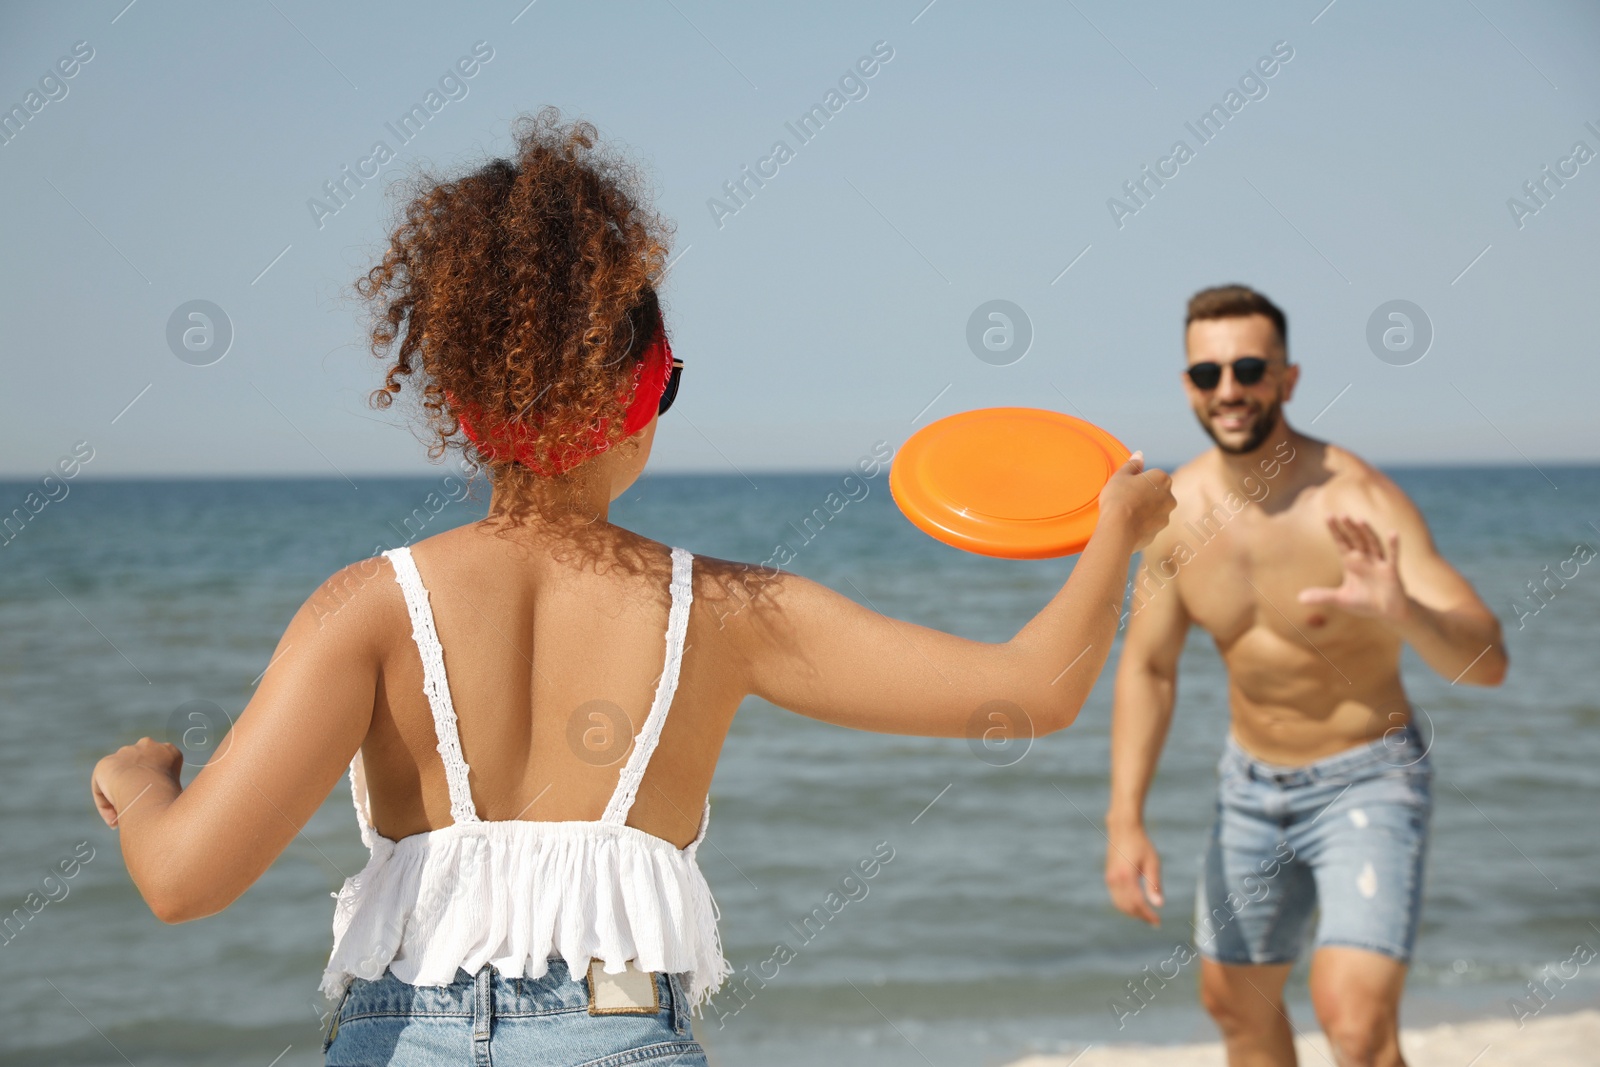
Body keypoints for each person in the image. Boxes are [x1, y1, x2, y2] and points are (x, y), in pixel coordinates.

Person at [89, 108, 1176, 1066]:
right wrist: (1115, 532)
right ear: (645, 394)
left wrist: (139, 779)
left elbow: (185, 880)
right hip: (617, 1028)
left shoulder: (368, 608)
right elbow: (1031, 691)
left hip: (398, 1037)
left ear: (462, 405)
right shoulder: (719, 612)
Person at [1103, 284, 1506, 1067]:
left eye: (1249, 367)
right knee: (1235, 1006)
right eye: (1206, 373)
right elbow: (1149, 668)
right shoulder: (1173, 517)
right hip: (1248, 786)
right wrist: (1124, 819)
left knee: (1354, 1025)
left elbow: (1489, 661)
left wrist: (1404, 612)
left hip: (1371, 777)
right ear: (1188, 385)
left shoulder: (1357, 502)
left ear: (1286, 379)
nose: (1228, 390)